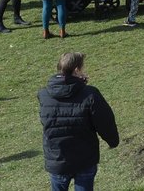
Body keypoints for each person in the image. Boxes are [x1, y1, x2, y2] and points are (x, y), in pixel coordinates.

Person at [38, 52, 119, 191]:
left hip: (57, 158)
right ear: (76, 70)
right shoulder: (90, 94)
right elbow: (105, 122)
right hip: (84, 159)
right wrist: (113, 141)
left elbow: (46, 121)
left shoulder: (44, 95)